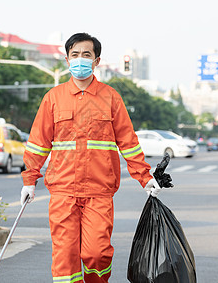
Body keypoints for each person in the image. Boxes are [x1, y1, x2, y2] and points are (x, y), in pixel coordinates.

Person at [21, 32, 161, 283]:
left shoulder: (111, 98)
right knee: (65, 256)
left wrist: (145, 177)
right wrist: (29, 180)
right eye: (75, 55)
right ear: (67, 60)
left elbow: (128, 142)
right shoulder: (53, 98)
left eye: (87, 55)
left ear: (97, 61)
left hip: (99, 191)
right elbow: (38, 143)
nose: (80, 59)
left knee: (97, 254)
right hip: (63, 191)